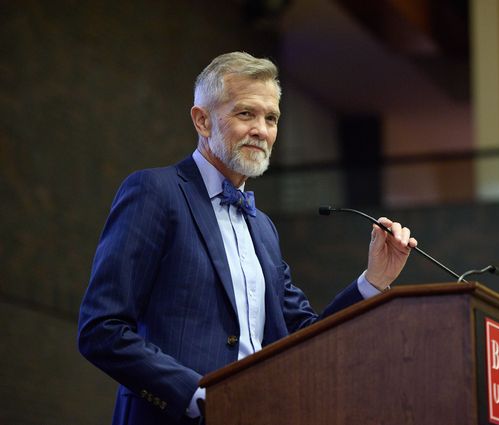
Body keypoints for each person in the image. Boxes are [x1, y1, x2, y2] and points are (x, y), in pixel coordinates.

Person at [77, 52, 417, 425]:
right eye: (245, 114)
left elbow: (305, 338)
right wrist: (199, 395)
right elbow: (101, 329)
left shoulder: (264, 230)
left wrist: (373, 282)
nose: (261, 129)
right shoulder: (156, 193)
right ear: (202, 120)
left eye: (271, 118)